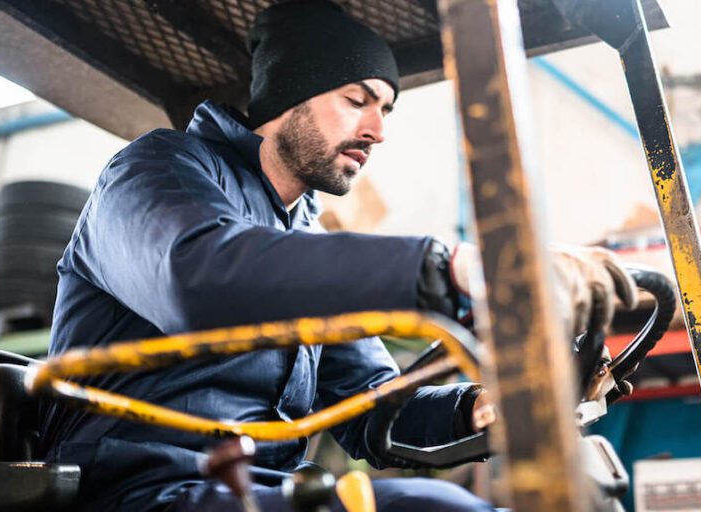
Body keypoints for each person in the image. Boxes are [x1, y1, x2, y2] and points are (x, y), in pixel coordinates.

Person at [39, 1, 636, 510]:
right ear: (287, 97)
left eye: (387, 110)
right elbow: (196, 279)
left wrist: (486, 407)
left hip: (259, 488)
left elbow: (372, 409)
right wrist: (452, 265)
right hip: (138, 490)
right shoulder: (155, 171)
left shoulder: (304, 241)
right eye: (357, 100)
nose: (378, 130)